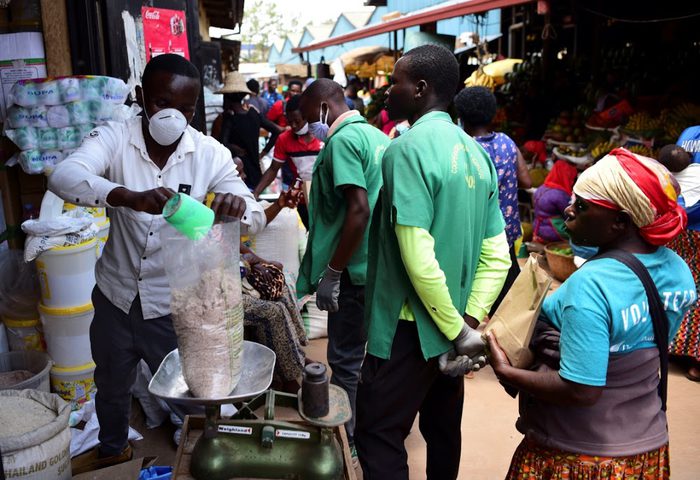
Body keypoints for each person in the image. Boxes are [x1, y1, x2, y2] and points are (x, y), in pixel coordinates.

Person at [47, 54, 266, 473]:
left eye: (187, 109)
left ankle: (205, 456)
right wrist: (127, 195)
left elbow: (253, 213)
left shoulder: (209, 154)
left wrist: (237, 205)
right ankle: (113, 451)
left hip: (177, 305)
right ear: (142, 97)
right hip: (116, 296)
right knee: (111, 385)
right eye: (165, 104)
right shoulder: (115, 137)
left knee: (194, 391)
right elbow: (64, 176)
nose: (176, 117)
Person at [487, 148, 696, 480]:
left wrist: (506, 370)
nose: (568, 211)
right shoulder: (679, 272)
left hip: (577, 453)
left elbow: (582, 390)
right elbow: (649, 347)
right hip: (647, 446)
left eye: (582, 206)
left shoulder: (589, 287)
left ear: (620, 222)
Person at [355, 44, 511, 480]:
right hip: (453, 322)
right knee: (443, 432)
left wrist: (456, 329)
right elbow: (497, 255)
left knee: (379, 434)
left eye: (397, 81)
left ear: (420, 89)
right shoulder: (479, 155)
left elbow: (417, 255)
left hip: (407, 328)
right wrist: (467, 321)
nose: (388, 89)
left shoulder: (406, 149)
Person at [296, 78, 390, 454]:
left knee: (346, 360)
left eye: (309, 119)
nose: (310, 130)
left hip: (354, 270)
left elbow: (358, 210)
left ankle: (346, 441)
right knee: (373, 357)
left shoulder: (344, 142)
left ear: (323, 107)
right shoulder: (378, 138)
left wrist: (333, 272)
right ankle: (370, 431)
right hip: (380, 268)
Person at [455, 86, 532, 315]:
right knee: (508, 302)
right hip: (505, 234)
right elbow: (527, 181)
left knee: (469, 297)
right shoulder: (507, 143)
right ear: (493, 114)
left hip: (473, 236)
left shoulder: (462, 147)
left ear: (461, 118)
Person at [659, 144, 700, 381]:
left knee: (681, 288)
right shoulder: (692, 171)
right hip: (685, 235)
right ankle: (688, 355)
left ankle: (682, 350)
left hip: (682, 233)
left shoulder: (668, 178)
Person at [253, 95, 322, 228]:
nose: (294, 126)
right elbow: (273, 169)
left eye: (297, 121)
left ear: (307, 116)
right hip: (301, 200)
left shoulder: (324, 136)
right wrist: (256, 193)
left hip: (327, 197)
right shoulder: (284, 139)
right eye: (290, 122)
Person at [216, 71, 282, 188]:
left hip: (237, 175)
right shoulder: (253, 113)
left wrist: (234, 148)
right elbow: (276, 131)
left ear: (228, 97)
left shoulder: (229, 118)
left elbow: (222, 143)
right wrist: (263, 153)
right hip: (256, 175)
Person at [532, 159, 579, 243]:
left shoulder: (541, 188)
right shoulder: (560, 194)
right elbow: (569, 216)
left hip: (537, 228)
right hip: (553, 231)